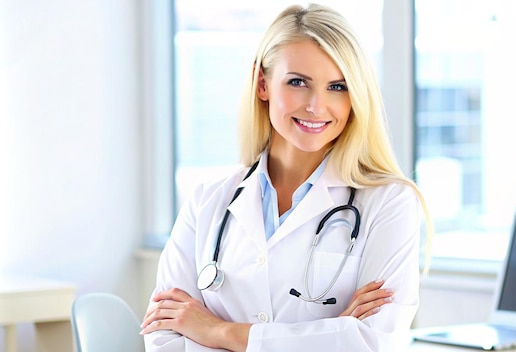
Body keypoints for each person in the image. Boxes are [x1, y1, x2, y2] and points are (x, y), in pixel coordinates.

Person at [141, 3, 432, 351]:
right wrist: (334, 333)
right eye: (298, 82)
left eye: (337, 87)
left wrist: (219, 331)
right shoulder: (208, 200)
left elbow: (374, 342)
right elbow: (164, 336)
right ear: (262, 84)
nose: (316, 105)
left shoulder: (389, 202)